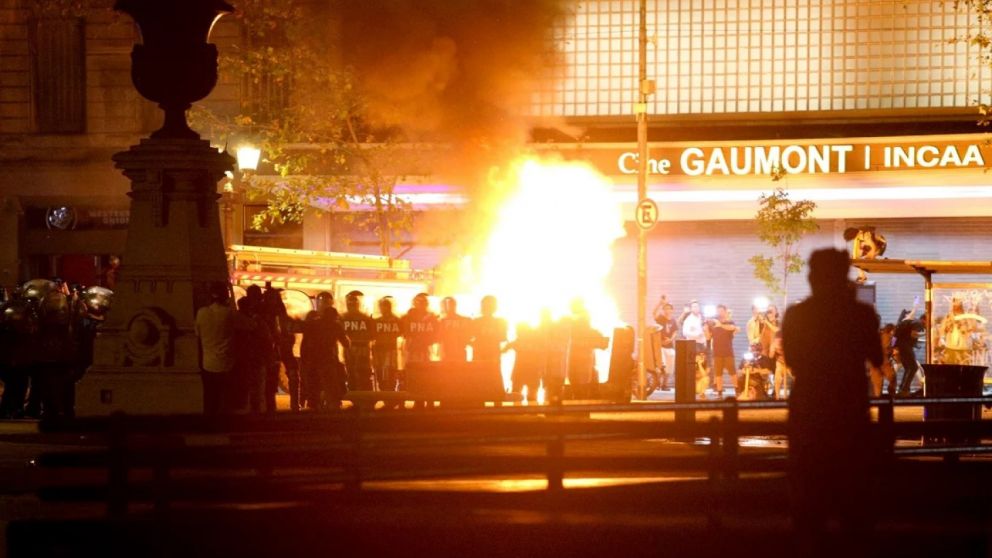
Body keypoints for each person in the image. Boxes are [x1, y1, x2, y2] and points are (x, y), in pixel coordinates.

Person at [782, 248, 883, 555]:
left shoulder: (797, 315)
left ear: (813, 277)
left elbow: (794, 362)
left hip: (809, 416)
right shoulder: (861, 315)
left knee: (809, 504)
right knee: (853, 504)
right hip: (850, 417)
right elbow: (876, 358)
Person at [300, 291, 349, 410]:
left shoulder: (313, 322)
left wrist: (305, 358)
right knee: (332, 385)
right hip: (327, 360)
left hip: (314, 360)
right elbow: (346, 343)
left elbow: (305, 341)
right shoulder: (334, 325)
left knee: (313, 385)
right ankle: (332, 406)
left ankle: (313, 405)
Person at [194, 282, 238, 416]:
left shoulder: (202, 313)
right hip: (226, 363)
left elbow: (197, 334)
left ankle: (209, 422)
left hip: (207, 363)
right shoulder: (229, 314)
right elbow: (250, 325)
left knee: (209, 396)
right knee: (224, 398)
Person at [235, 286, 274, 413]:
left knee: (246, 388)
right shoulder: (259, 319)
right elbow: (267, 340)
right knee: (259, 389)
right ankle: (260, 413)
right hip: (258, 359)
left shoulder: (236, 320)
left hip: (243, 359)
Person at [565, 299, 609, 399]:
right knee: (578, 384)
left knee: (579, 385)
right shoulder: (578, 323)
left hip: (581, 363)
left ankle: (581, 407)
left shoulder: (578, 321)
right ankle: (582, 407)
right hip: (580, 361)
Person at [341, 290, 375, 391]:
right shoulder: (343, 318)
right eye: (350, 304)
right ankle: (357, 400)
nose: (351, 306)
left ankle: (363, 399)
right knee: (352, 373)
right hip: (351, 349)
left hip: (361, 349)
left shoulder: (364, 318)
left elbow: (372, 335)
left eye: (353, 304)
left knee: (362, 374)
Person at [894, 308, 926, 396]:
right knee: (913, 367)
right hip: (905, 347)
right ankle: (904, 389)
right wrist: (927, 334)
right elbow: (913, 334)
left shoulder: (914, 322)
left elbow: (910, 335)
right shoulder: (918, 323)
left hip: (902, 346)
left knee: (909, 368)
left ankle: (903, 389)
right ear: (924, 319)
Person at [708, 304, 738, 396]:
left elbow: (732, 328)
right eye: (718, 311)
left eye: (721, 311)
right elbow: (709, 336)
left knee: (732, 372)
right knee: (718, 373)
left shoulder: (730, 322)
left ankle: (737, 390)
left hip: (728, 351)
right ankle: (719, 392)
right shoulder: (713, 323)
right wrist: (706, 329)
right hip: (717, 352)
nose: (720, 313)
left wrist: (720, 325)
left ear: (725, 311)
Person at [400, 293, 438, 365]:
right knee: (412, 369)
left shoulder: (431, 318)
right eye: (420, 303)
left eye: (423, 303)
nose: (422, 305)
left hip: (424, 349)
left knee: (424, 370)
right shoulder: (407, 317)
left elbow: (435, 335)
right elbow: (404, 333)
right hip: (412, 350)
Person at [372, 296, 402, 391]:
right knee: (381, 375)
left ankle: (389, 398)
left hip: (389, 350)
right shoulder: (377, 321)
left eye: (385, 306)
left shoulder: (396, 320)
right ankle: (386, 396)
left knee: (388, 375)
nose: (383, 309)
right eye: (382, 306)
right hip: (379, 350)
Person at [471, 295, 507, 364]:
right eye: (486, 306)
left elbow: (503, 338)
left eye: (488, 306)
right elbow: (503, 338)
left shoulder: (476, 321)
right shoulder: (501, 321)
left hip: (490, 354)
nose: (487, 308)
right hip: (483, 353)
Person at [652, 298, 678, 390]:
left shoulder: (673, 320)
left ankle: (665, 384)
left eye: (669, 308)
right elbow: (654, 313)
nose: (667, 310)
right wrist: (660, 303)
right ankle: (657, 383)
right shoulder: (660, 318)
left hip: (670, 347)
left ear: (672, 310)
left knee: (669, 368)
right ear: (663, 310)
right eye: (665, 308)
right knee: (661, 366)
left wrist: (671, 339)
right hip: (661, 346)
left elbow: (675, 331)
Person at [438, 296, 472, 362]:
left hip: (447, 355)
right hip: (458, 354)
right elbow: (469, 338)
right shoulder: (465, 320)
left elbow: (438, 338)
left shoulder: (442, 321)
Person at [869, 324, 897, 397]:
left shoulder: (880, 334)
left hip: (873, 361)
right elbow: (885, 349)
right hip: (883, 361)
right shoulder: (887, 336)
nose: (894, 332)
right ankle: (891, 395)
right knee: (892, 377)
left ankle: (878, 399)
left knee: (877, 382)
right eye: (894, 330)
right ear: (890, 330)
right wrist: (892, 351)